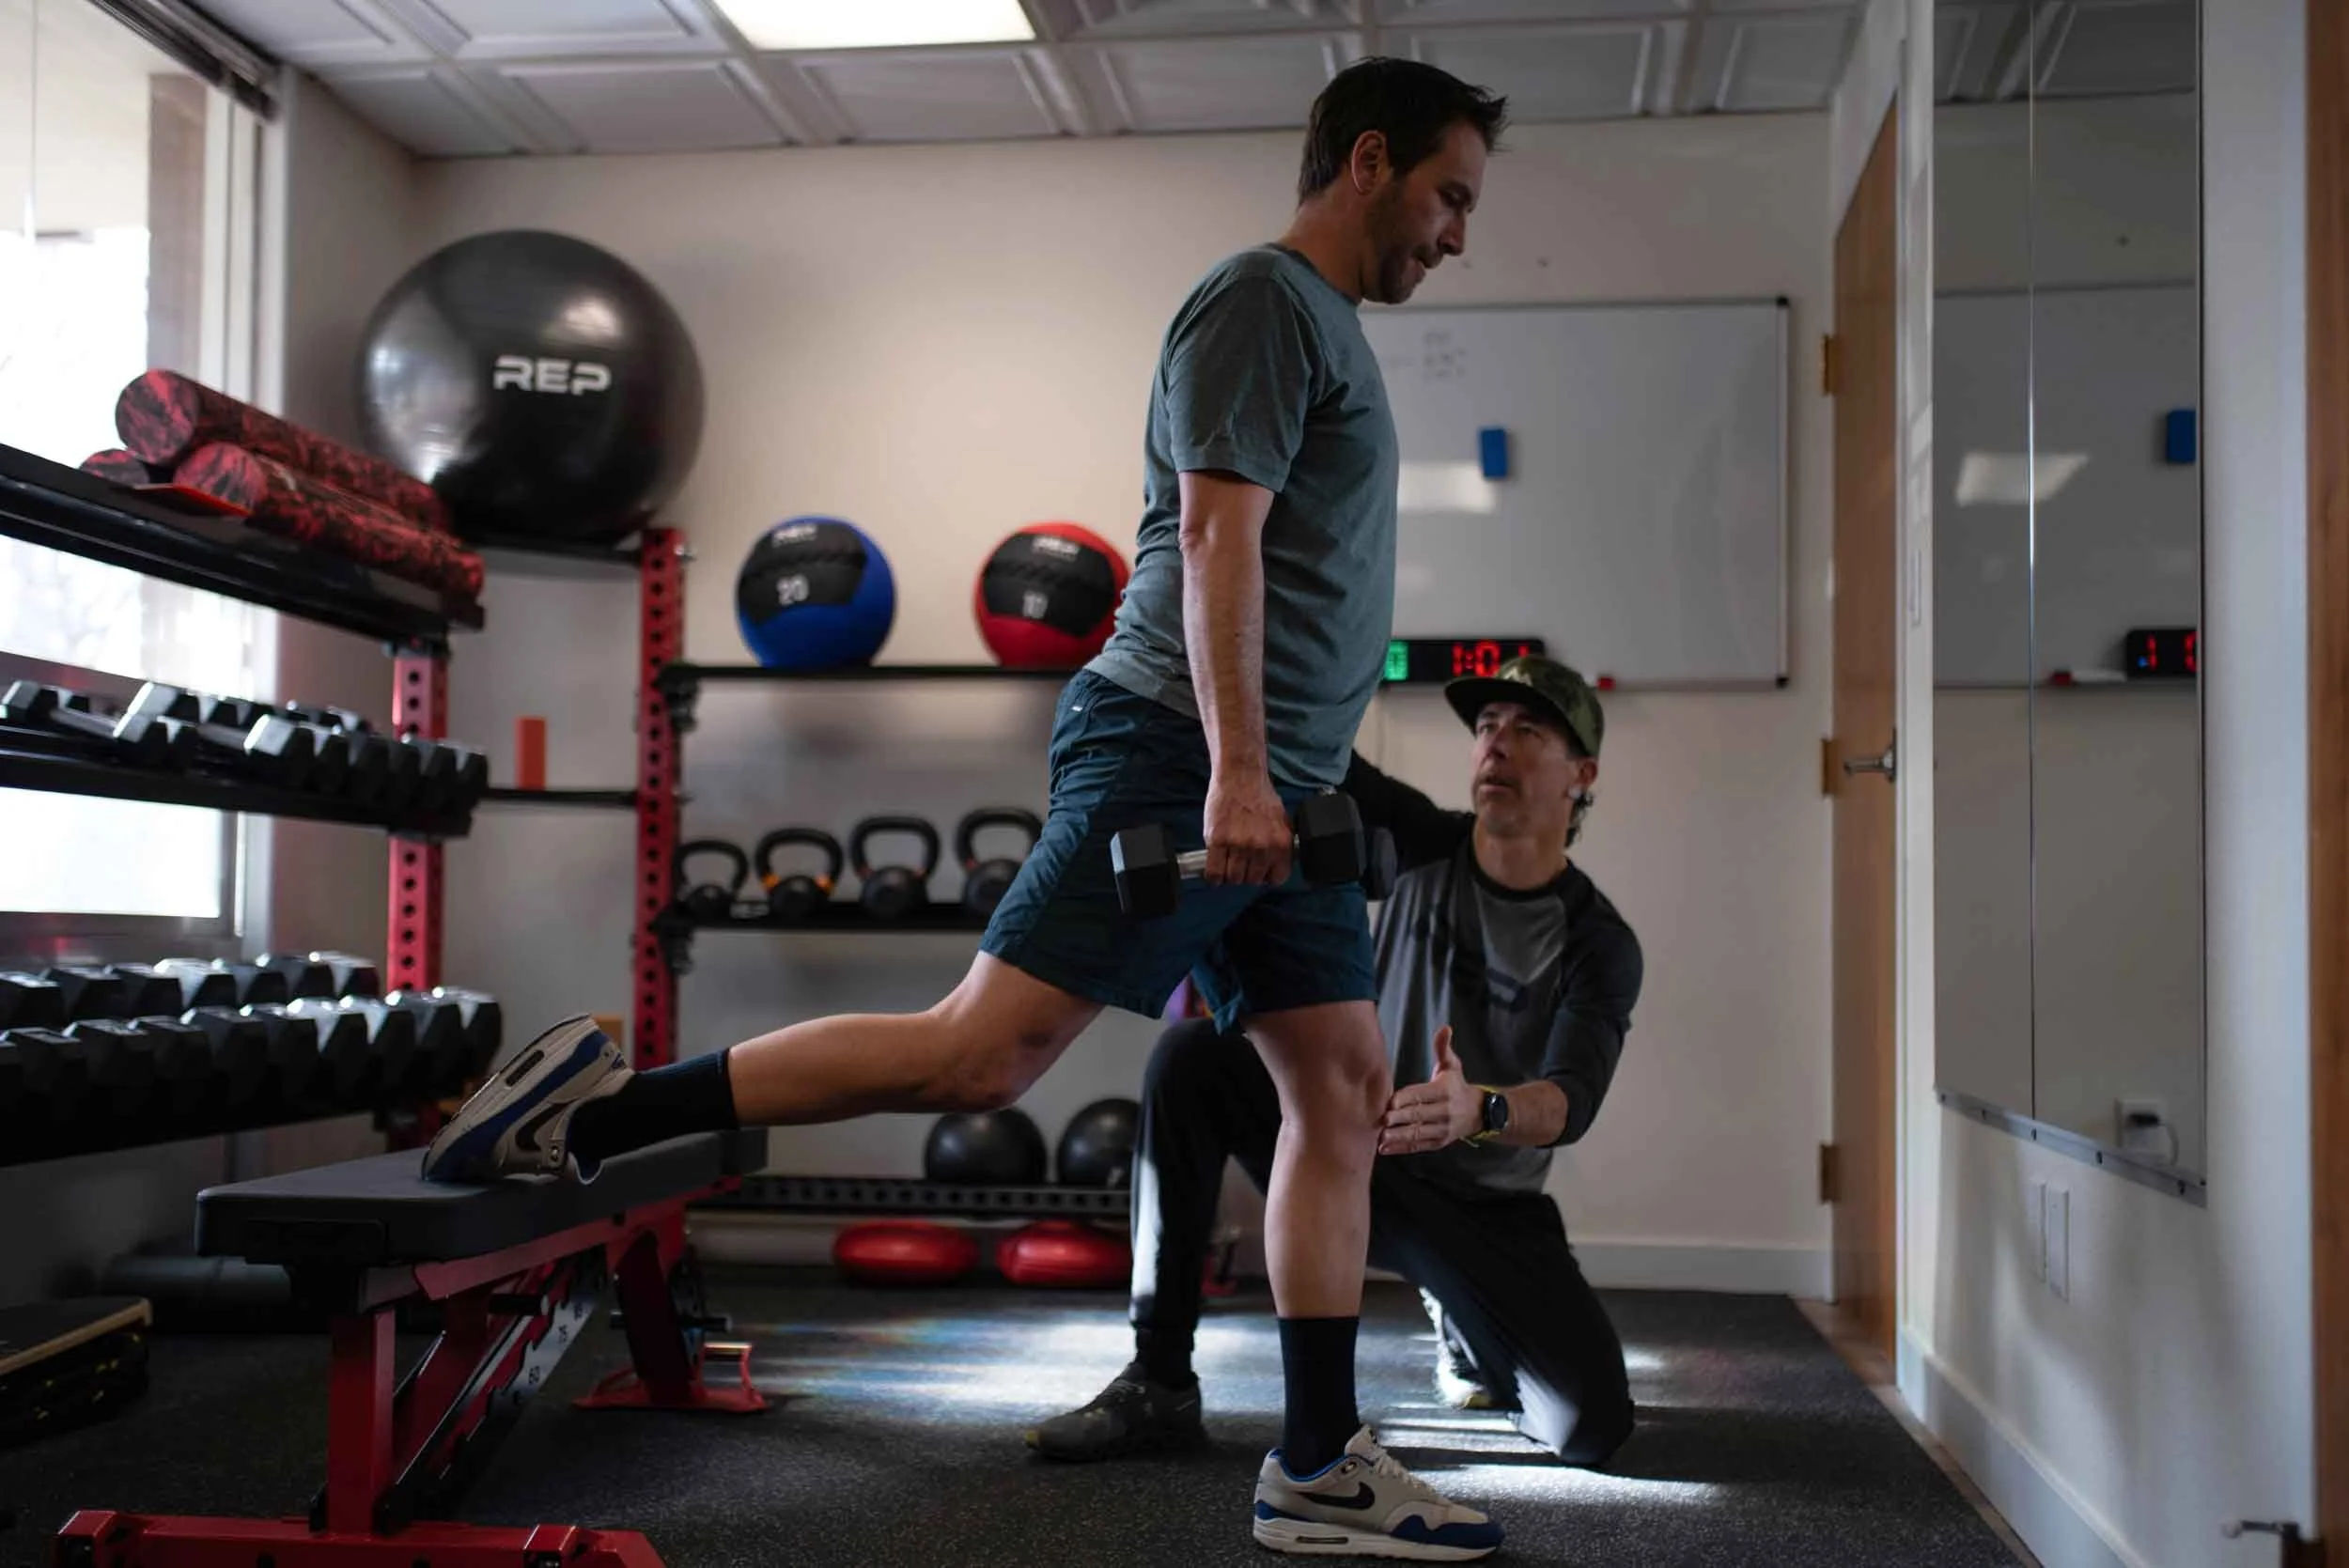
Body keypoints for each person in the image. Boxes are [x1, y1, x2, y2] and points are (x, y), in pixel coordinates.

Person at [422, 55, 1513, 1562]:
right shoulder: (1263, 303)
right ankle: (587, 1114)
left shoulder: (1330, 330)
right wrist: (1238, 772)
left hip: (1281, 774)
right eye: (1451, 195)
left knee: (1339, 1089)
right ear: (1370, 160)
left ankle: (1318, 1462)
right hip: (1180, 748)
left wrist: (1281, 771)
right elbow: (1215, 540)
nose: (1458, 233)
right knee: (977, 1055)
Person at [1028, 656, 1642, 1470]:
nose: (1497, 744)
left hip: (1483, 1208)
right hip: (1360, 1149)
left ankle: (1463, 1325)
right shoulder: (1418, 840)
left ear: (1582, 775)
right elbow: (1304, 739)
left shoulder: (1598, 940)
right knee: (1192, 1059)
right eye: (1488, 726)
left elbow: (1571, 1099)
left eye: (1528, 730)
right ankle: (1160, 1376)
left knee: (1591, 1426)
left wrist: (1479, 1108)